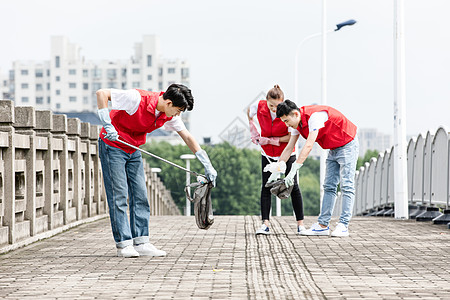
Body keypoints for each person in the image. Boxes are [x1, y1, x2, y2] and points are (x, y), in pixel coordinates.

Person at [96, 84, 217, 257]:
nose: (178, 115)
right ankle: (123, 244)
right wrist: (107, 124)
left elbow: (188, 137)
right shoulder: (136, 99)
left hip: (133, 148)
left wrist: (207, 163)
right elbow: (102, 94)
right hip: (112, 145)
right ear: (168, 103)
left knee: (140, 195)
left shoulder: (168, 115)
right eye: (178, 110)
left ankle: (141, 241)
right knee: (119, 195)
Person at [268, 100, 359, 237]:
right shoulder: (296, 123)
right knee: (329, 186)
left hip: (347, 144)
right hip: (333, 148)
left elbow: (309, 145)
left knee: (346, 185)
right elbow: (289, 147)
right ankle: (323, 225)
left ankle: (343, 225)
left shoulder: (314, 118)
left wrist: (293, 170)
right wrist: (278, 167)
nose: (287, 124)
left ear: (295, 113)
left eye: (287, 120)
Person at [247, 85, 305, 235]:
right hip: (267, 154)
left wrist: (272, 140)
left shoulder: (287, 114)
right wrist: (253, 128)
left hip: (286, 153)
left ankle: (300, 224)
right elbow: (249, 112)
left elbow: (291, 136)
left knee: (293, 185)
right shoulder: (259, 106)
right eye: (270, 105)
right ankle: (265, 224)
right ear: (265, 101)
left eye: (277, 106)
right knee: (266, 186)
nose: (274, 109)